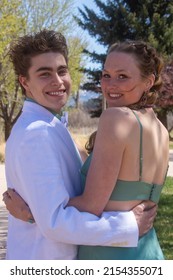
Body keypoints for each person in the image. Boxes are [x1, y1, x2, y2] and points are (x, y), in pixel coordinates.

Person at [3, 30, 157, 260]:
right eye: (44, 74)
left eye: (62, 71)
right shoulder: (35, 134)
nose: (58, 81)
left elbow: (64, 201)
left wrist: (33, 213)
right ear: (25, 82)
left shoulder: (50, 125)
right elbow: (55, 222)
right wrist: (127, 226)